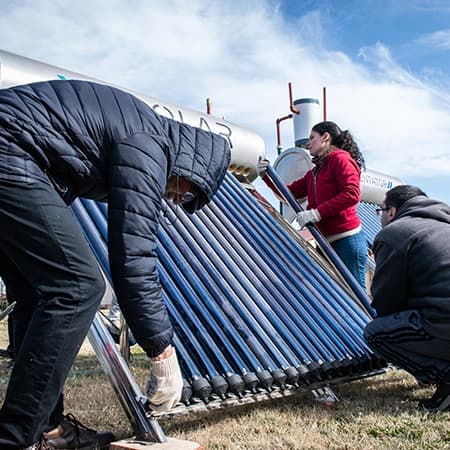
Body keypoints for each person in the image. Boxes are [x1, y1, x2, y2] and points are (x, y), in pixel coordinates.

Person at [0, 79, 231, 449]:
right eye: (184, 190)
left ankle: (48, 429)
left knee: (36, 292)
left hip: (14, 153)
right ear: (192, 165)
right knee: (78, 288)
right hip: (9, 152)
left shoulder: (138, 132)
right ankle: (12, 439)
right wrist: (161, 350)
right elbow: (133, 257)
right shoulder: (150, 146)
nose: (174, 197)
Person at [364, 185, 450, 412]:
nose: (380, 216)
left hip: (444, 324)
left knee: (376, 333)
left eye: (380, 210)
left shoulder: (394, 233)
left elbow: (386, 302)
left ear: (392, 211)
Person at [257, 121, 368, 289]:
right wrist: (267, 177)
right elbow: (289, 194)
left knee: (355, 297)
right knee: (337, 294)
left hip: (346, 241)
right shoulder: (315, 172)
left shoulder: (340, 159)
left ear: (325, 137)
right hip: (325, 242)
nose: (308, 144)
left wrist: (317, 213)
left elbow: (352, 194)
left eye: (312, 138)